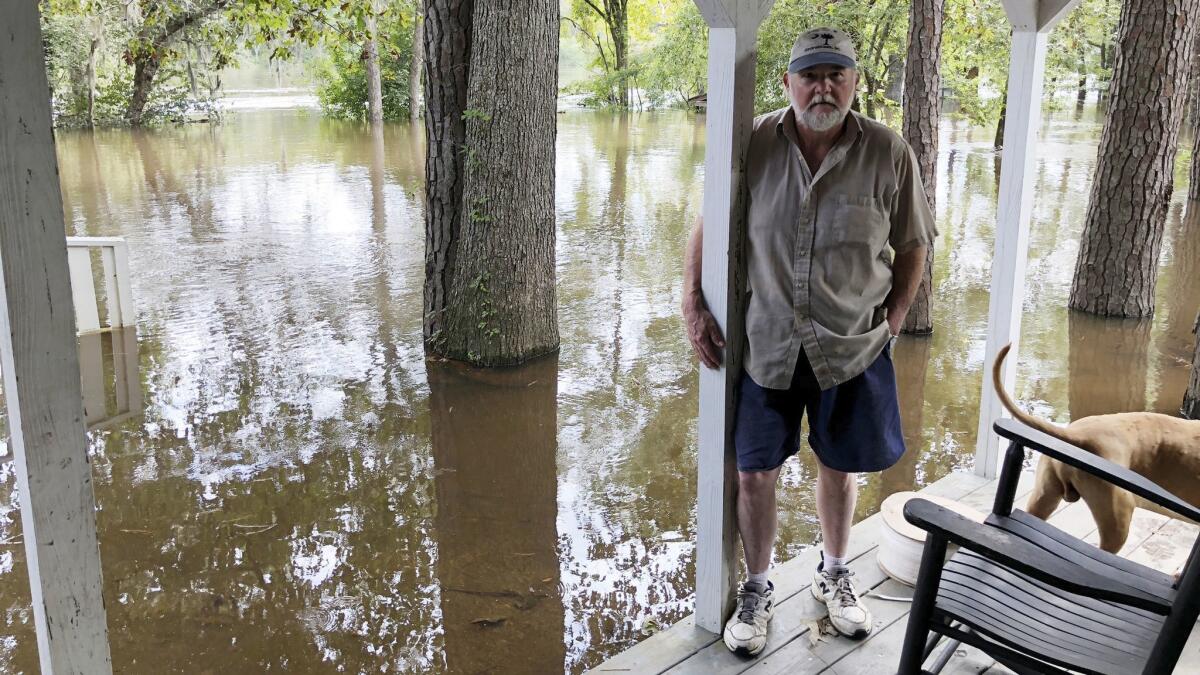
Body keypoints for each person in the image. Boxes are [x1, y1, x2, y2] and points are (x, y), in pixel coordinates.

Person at [682, 27, 936, 657]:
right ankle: (758, 587)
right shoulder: (754, 143)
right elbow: (711, 220)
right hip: (766, 341)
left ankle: (834, 573)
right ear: (787, 81)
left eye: (836, 75)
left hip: (850, 345)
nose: (823, 87)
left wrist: (896, 319)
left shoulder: (888, 151)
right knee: (754, 473)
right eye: (810, 75)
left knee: (839, 467)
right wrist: (691, 299)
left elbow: (914, 244)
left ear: (854, 81)